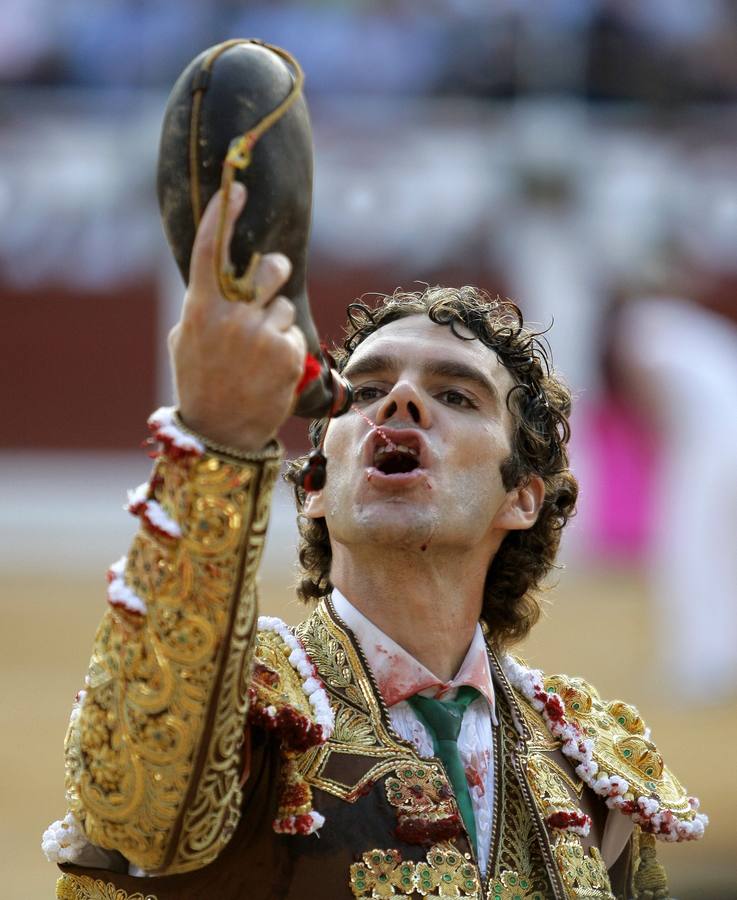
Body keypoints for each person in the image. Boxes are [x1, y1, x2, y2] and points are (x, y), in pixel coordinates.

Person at [44, 183, 706, 900]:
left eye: (456, 396)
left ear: (520, 499)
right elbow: (135, 809)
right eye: (363, 392)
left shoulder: (585, 763)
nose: (399, 402)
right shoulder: (247, 704)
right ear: (319, 485)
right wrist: (216, 446)